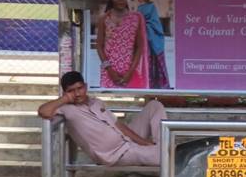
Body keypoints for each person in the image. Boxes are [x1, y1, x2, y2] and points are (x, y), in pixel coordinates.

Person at [37, 71, 166, 167]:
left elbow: (119, 126)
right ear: (65, 92)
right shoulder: (66, 109)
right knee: (164, 156)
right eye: (71, 91)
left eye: (79, 88)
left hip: (127, 140)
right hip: (116, 154)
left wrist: (144, 142)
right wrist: (65, 99)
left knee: (154, 106)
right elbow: (43, 111)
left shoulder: (96, 102)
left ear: (85, 87)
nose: (77, 94)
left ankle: (160, 145)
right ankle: (162, 151)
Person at [97, 0, 149, 89]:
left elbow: (139, 47)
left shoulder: (136, 18)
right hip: (108, 73)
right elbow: (99, 46)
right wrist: (110, 71)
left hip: (129, 73)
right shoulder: (104, 19)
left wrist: (130, 72)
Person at [131, 0, 170, 89]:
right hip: (135, 41)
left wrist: (143, 25)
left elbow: (155, 23)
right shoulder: (131, 5)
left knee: (150, 65)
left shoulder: (151, 6)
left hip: (149, 41)